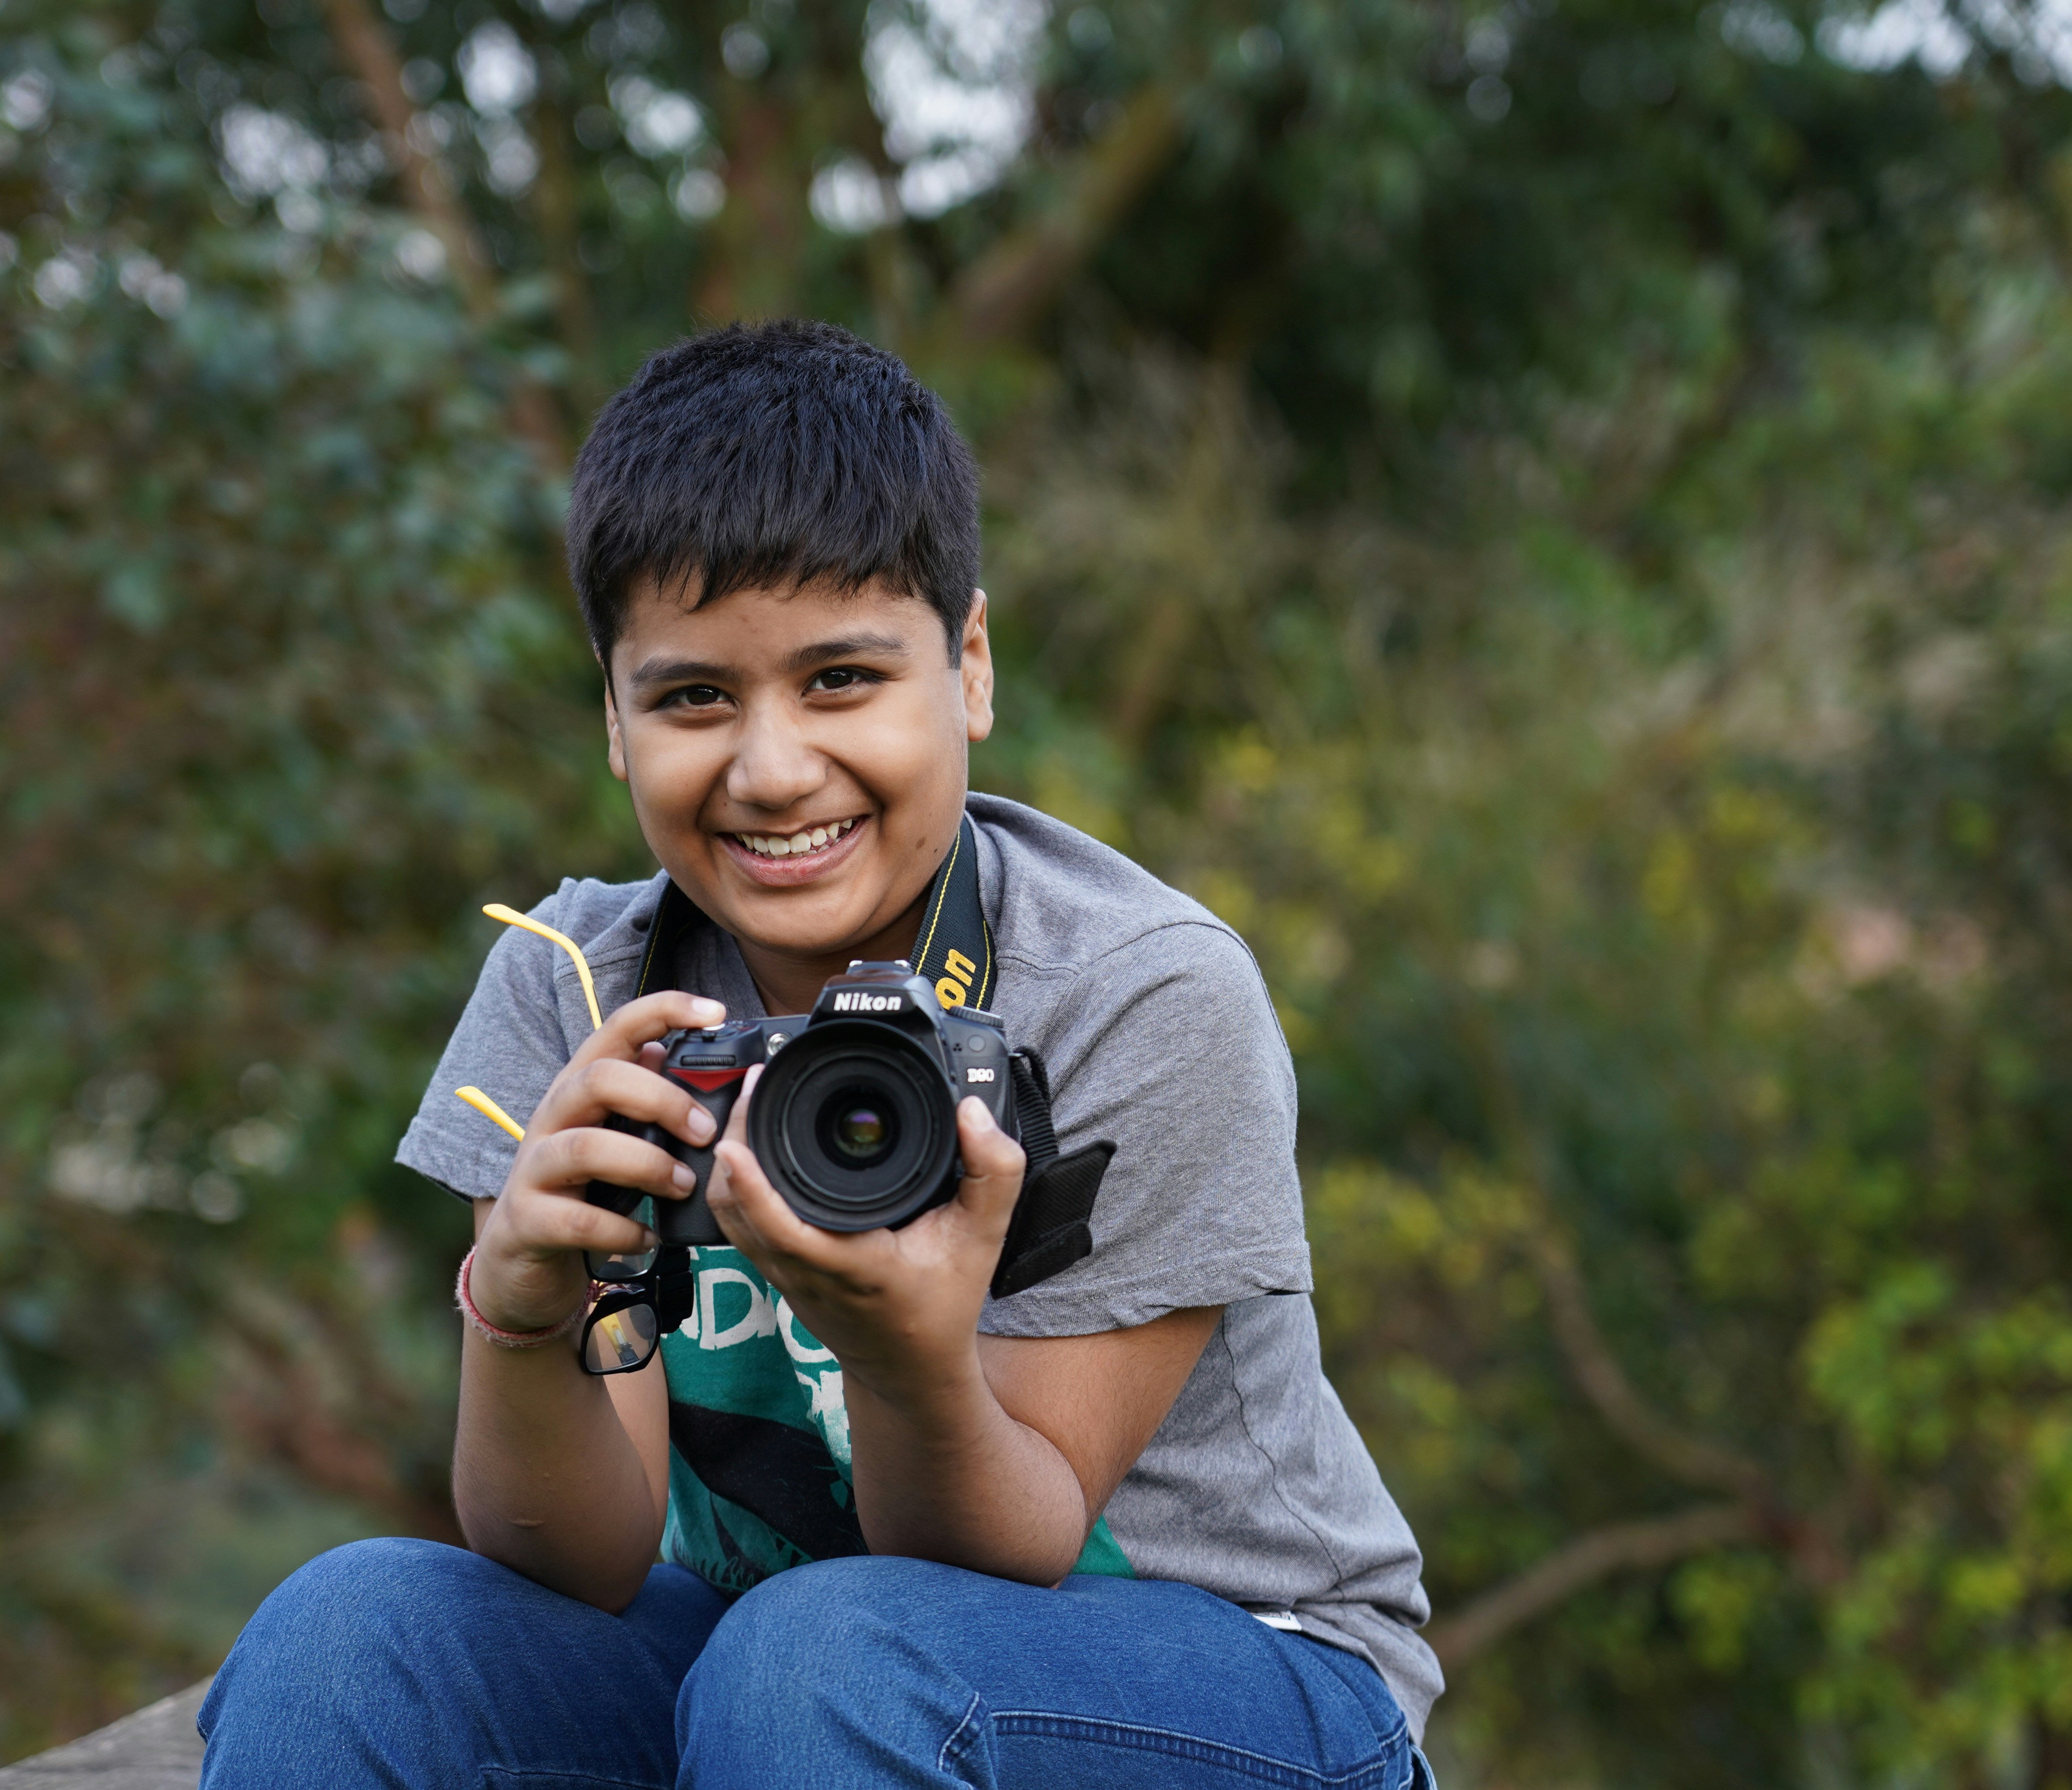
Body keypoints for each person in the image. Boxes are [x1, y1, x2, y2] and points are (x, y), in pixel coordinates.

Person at [196, 319, 1442, 1788]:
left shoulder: (1135, 993)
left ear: (968, 667)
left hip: (1240, 1671)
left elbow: (1017, 1542)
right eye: (693, 697)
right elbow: (581, 1558)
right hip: (783, 1677)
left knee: (823, 1660)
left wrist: (904, 1359)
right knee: (351, 1632)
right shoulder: (578, 987)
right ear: (613, 714)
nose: (774, 768)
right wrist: (523, 1305)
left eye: (843, 679)